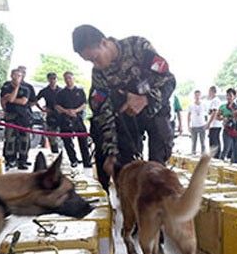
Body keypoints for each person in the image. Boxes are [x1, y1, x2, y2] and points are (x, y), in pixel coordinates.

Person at [72, 25, 175, 185]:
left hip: (154, 111)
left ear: (104, 43)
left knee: (157, 170)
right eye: (90, 61)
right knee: (125, 167)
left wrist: (146, 99)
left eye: (95, 58)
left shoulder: (138, 47)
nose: (96, 65)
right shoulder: (99, 75)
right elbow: (103, 114)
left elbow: (168, 81)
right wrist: (111, 153)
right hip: (127, 120)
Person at [56, 71, 92, 168]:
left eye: (70, 78)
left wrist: (75, 111)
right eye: (66, 78)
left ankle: (86, 161)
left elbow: (84, 104)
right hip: (65, 118)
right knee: (67, 141)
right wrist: (66, 111)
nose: (68, 80)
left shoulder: (80, 91)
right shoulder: (61, 93)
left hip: (78, 118)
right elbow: (57, 106)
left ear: (73, 78)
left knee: (83, 141)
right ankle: (73, 160)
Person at [0, 68, 32, 170]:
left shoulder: (26, 89)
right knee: (10, 138)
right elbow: (8, 99)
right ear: (11, 76)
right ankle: (10, 160)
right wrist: (16, 89)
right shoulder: (6, 87)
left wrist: (11, 99)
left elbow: (23, 101)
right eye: (15, 75)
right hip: (11, 116)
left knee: (24, 139)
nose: (17, 77)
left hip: (23, 117)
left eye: (19, 76)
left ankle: (23, 160)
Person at [35, 72, 61, 154]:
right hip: (51, 115)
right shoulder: (44, 91)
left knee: (66, 136)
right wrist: (42, 109)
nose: (52, 80)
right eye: (51, 79)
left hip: (62, 115)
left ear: (57, 79)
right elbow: (35, 100)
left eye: (54, 78)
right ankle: (55, 153)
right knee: (52, 137)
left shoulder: (61, 90)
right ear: (48, 80)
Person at [219, 88, 237, 163]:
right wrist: (223, 118)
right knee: (226, 148)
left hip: (236, 130)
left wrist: (233, 111)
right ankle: (220, 163)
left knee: (236, 150)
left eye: (230, 95)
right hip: (227, 130)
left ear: (234, 96)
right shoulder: (223, 107)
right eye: (227, 95)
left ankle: (235, 165)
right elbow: (218, 116)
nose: (228, 97)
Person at [188, 90, 207, 154]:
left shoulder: (204, 104)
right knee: (193, 142)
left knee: (203, 142)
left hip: (202, 125)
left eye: (198, 95)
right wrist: (188, 125)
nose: (197, 97)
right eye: (196, 95)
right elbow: (189, 115)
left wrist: (207, 124)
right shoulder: (191, 105)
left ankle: (203, 155)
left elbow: (206, 114)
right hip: (194, 125)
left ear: (200, 96)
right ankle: (193, 154)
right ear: (194, 96)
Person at [205, 86, 222, 158]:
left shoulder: (215, 100)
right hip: (214, 124)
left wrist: (209, 123)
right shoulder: (213, 101)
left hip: (215, 124)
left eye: (209, 92)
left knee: (214, 142)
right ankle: (215, 155)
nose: (208, 93)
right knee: (213, 140)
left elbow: (214, 113)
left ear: (213, 92)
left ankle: (216, 156)